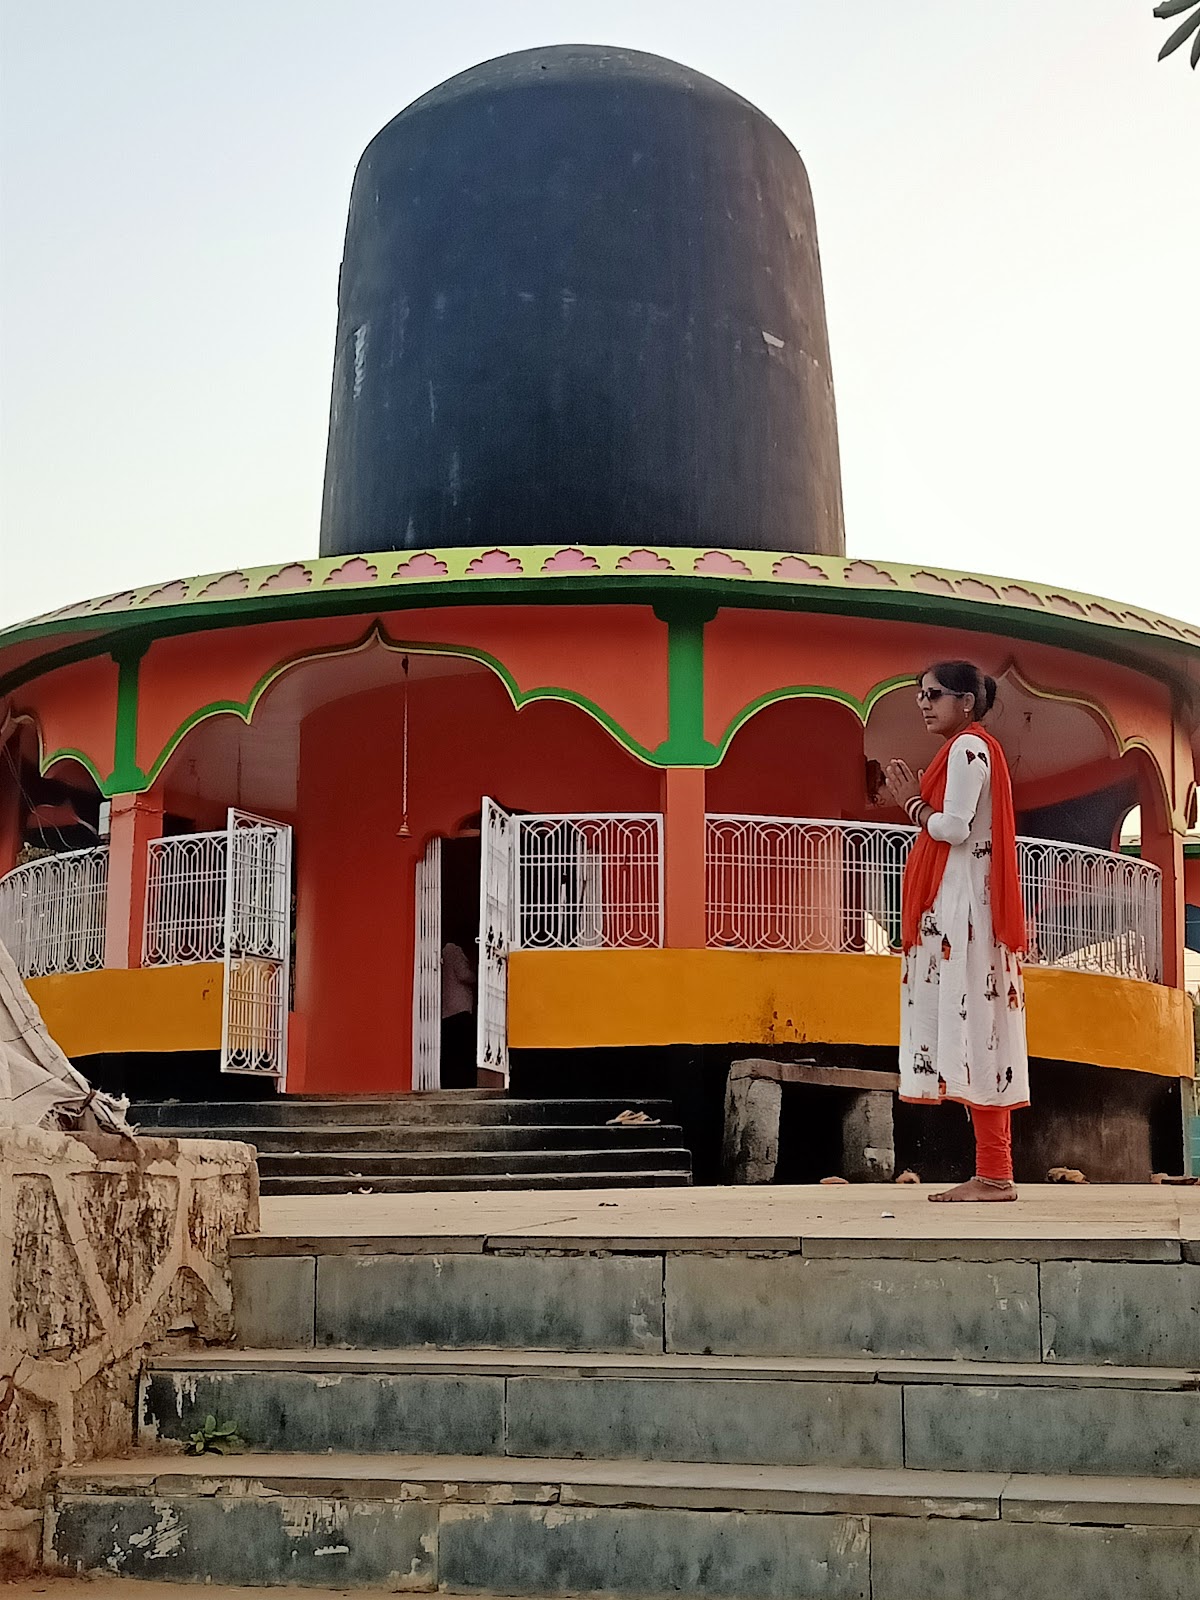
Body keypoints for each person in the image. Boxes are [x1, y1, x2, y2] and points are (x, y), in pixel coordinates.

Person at [884, 661, 1028, 1202]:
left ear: (966, 701)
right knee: (981, 1032)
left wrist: (911, 804)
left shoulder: (968, 747)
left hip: (964, 913)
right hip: (968, 910)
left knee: (978, 1031)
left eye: (934, 694)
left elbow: (953, 826)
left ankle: (994, 1174)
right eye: (920, 695)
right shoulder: (971, 747)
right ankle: (993, 1171)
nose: (924, 703)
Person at [440, 934, 477, 1089]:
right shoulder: (453, 949)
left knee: (452, 1049)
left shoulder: (443, 952)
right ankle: (462, 1082)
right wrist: (478, 975)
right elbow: (464, 974)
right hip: (459, 1009)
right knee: (461, 1049)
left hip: (448, 1009)